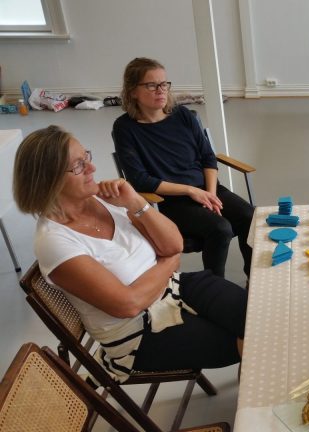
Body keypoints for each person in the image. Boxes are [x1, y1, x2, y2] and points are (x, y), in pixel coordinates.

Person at [13, 125, 246, 381]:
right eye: (78, 166)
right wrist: (169, 263)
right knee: (245, 340)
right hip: (139, 332)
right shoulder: (55, 242)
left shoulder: (103, 198)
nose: (92, 168)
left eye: (86, 157)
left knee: (258, 315)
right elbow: (129, 304)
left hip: (175, 288)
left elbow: (173, 245)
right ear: (48, 180)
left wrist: (135, 202)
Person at [113, 57, 253, 279]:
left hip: (206, 189)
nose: (161, 90)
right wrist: (190, 191)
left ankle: (253, 277)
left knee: (249, 215)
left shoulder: (183, 116)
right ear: (132, 92)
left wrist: (210, 193)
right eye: (151, 85)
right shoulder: (125, 128)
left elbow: (208, 157)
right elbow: (139, 179)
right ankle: (214, 287)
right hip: (169, 202)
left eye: (164, 84)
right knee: (220, 228)